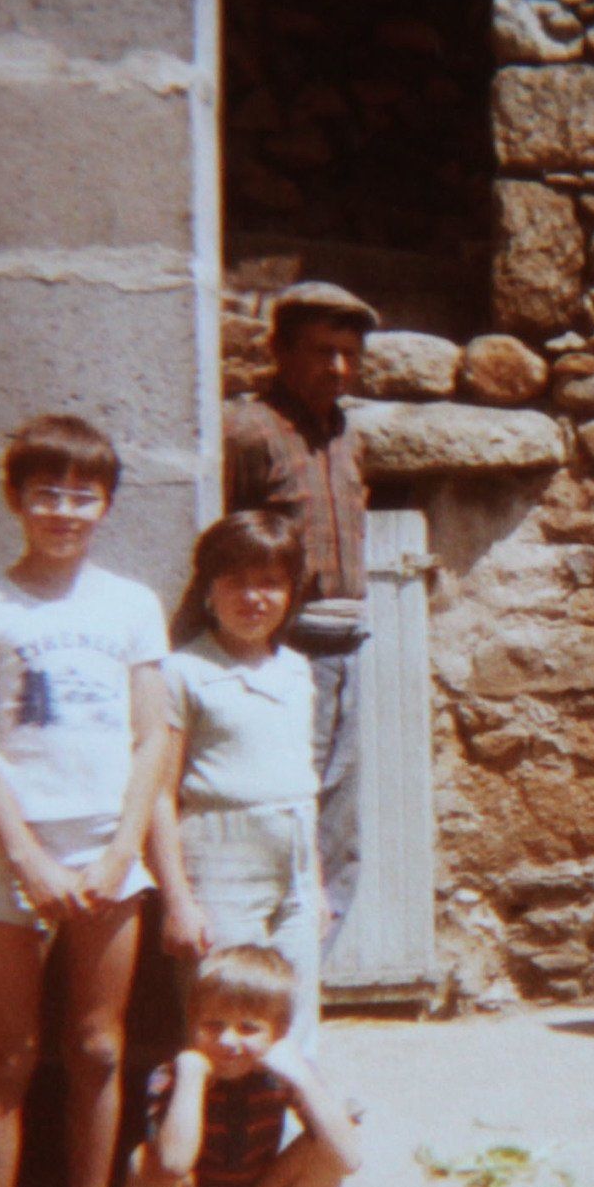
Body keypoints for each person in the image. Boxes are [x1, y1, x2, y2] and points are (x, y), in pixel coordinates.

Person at [0, 414, 172, 1187]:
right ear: (17, 498)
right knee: (6, 1053)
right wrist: (27, 856)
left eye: (83, 494)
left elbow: (152, 736)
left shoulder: (129, 606)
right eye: (47, 492)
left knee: (98, 1046)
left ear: (106, 503)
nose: (65, 510)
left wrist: (121, 853)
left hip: (107, 852)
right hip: (17, 852)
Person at [222, 283, 375, 955]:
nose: (337, 368)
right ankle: (260, 982)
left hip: (349, 644)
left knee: (339, 818)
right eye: (320, 352)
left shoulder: (349, 434)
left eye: (348, 354)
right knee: (285, 809)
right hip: (283, 644)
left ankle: (312, 972)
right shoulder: (247, 430)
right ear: (279, 351)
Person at [150, 510, 323, 1055]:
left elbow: (301, 785)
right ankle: (209, 1137)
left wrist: (314, 883)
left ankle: (296, 1136)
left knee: (294, 1017)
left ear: (290, 592)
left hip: (292, 856)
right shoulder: (182, 672)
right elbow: (159, 792)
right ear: (209, 589)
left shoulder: (297, 670)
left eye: (270, 583)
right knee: (225, 1021)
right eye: (236, 583)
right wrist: (178, 898)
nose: (253, 598)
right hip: (221, 857)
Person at [122, 945, 361, 1187]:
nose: (228, 1041)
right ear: (192, 1023)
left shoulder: (282, 1073)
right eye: (213, 1025)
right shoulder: (174, 1076)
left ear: (278, 1033)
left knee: (323, 1149)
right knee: (142, 1162)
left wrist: (301, 1075)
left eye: (249, 1028)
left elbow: (348, 1159)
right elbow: (175, 1164)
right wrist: (193, 1076)